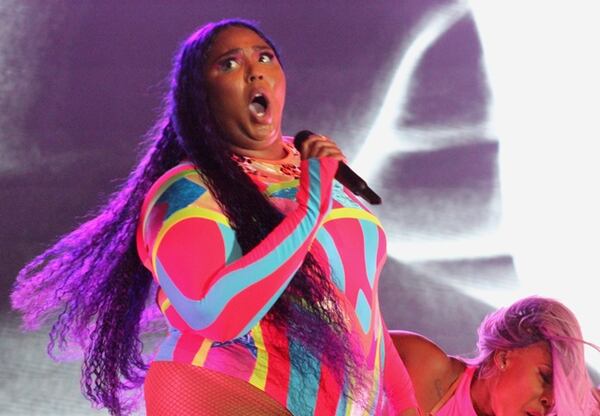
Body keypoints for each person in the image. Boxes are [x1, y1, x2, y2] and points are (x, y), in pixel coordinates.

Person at [11, 19, 420, 415]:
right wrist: (310, 206)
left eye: (264, 58)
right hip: (224, 391)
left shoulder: (311, 164)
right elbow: (216, 315)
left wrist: (405, 403)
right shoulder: (188, 189)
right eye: (229, 64)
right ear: (202, 95)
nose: (254, 73)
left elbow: (359, 304)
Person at [391, 296, 600, 415]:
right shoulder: (423, 365)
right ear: (503, 357)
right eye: (545, 377)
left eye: (559, 390)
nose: (551, 400)